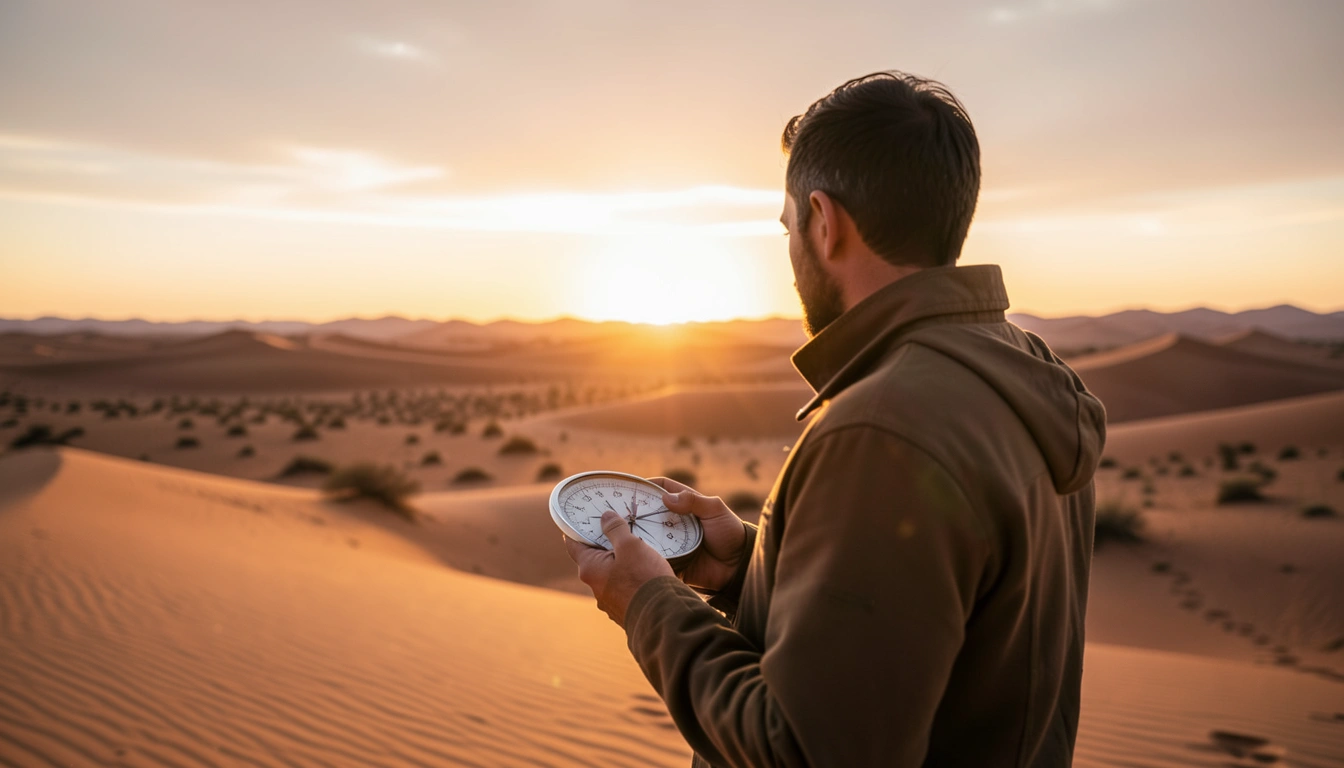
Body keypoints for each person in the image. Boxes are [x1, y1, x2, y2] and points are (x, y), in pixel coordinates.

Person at [563, 71, 1106, 767]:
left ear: (825, 221)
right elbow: (932, 622)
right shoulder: (1019, 371)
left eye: (790, 225)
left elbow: (805, 749)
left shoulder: (881, 428)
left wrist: (649, 605)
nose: (791, 250)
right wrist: (752, 572)